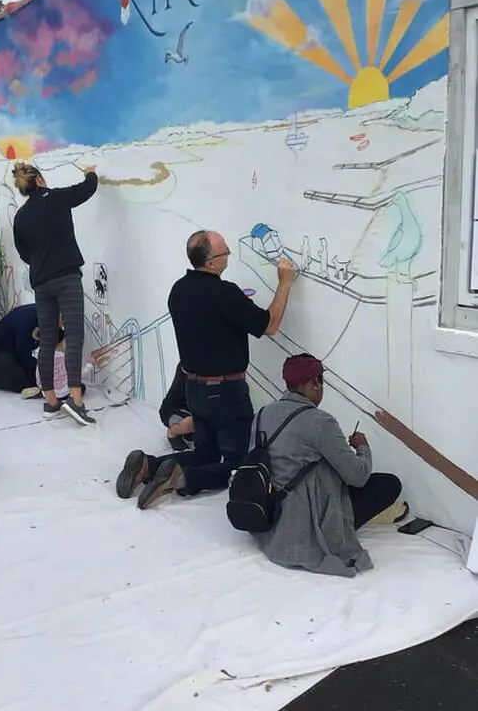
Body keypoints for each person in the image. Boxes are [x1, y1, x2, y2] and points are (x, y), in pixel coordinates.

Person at [116, 229, 296, 509]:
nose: (229, 256)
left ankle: (148, 465)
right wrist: (285, 283)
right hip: (227, 393)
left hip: (195, 388)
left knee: (207, 451)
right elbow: (269, 325)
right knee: (235, 462)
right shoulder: (224, 294)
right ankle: (182, 477)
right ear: (211, 262)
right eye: (225, 252)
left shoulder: (178, 290)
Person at [249, 354, 405, 577]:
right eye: (321, 382)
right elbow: (358, 476)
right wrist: (362, 447)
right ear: (315, 382)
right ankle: (344, 525)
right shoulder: (320, 421)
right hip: (302, 524)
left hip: (269, 516)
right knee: (388, 484)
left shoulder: (262, 414)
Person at [12, 161, 98, 426]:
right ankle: (75, 400)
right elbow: (87, 189)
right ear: (38, 179)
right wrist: (90, 172)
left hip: (41, 281)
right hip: (66, 276)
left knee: (47, 339)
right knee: (73, 334)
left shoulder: (21, 216)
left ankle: (50, 400)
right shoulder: (57, 198)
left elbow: (24, 253)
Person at [159, 363, 194, 452]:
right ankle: (173, 432)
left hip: (201, 409)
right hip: (176, 409)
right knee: (192, 423)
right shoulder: (190, 361)